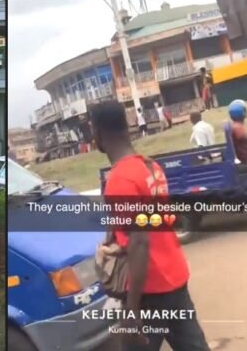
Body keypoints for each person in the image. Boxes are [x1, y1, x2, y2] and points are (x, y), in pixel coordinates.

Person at [91, 101, 209, 350]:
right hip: (175, 277)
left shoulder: (120, 179)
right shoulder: (150, 166)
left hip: (150, 291)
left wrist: (132, 311)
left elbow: (140, 242)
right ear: (127, 127)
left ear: (98, 133)